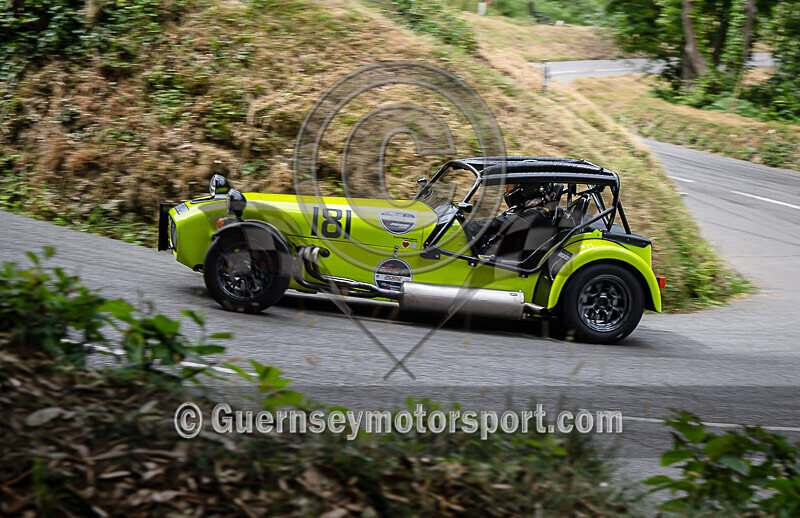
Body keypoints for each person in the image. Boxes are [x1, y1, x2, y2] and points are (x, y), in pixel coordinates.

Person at [466, 182, 563, 259]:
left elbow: (497, 224)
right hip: (490, 255)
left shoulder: (535, 215)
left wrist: (466, 225)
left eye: (512, 186)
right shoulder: (522, 209)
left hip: (498, 265)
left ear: (527, 188)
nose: (508, 191)